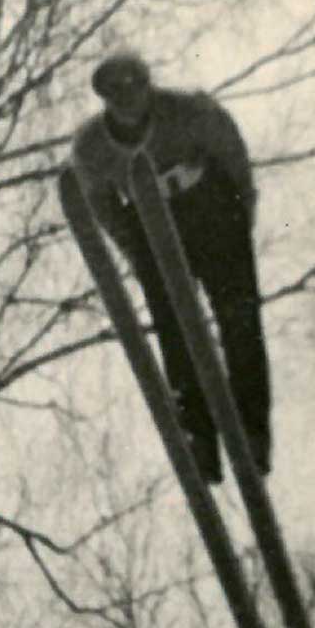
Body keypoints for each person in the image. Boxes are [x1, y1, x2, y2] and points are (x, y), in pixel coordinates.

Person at [67, 51, 271, 483]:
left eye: (134, 86)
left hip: (210, 209)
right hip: (152, 222)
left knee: (238, 318)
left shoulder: (189, 110)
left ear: (148, 85)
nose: (127, 99)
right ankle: (200, 440)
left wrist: (240, 213)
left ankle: (252, 434)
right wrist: (137, 252)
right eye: (115, 92)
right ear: (105, 98)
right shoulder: (92, 147)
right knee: (176, 332)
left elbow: (231, 151)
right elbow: (103, 206)